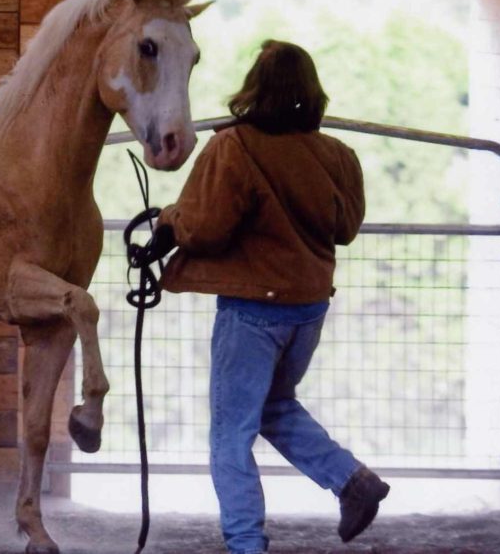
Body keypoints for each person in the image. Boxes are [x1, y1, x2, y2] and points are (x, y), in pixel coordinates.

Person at [143, 40, 390, 553]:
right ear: (310, 91)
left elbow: (206, 228)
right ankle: (353, 482)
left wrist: (169, 220)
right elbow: (345, 229)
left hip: (254, 312)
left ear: (255, 88)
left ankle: (245, 544)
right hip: (308, 308)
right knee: (274, 406)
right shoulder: (338, 155)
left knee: (230, 436)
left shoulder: (236, 146)